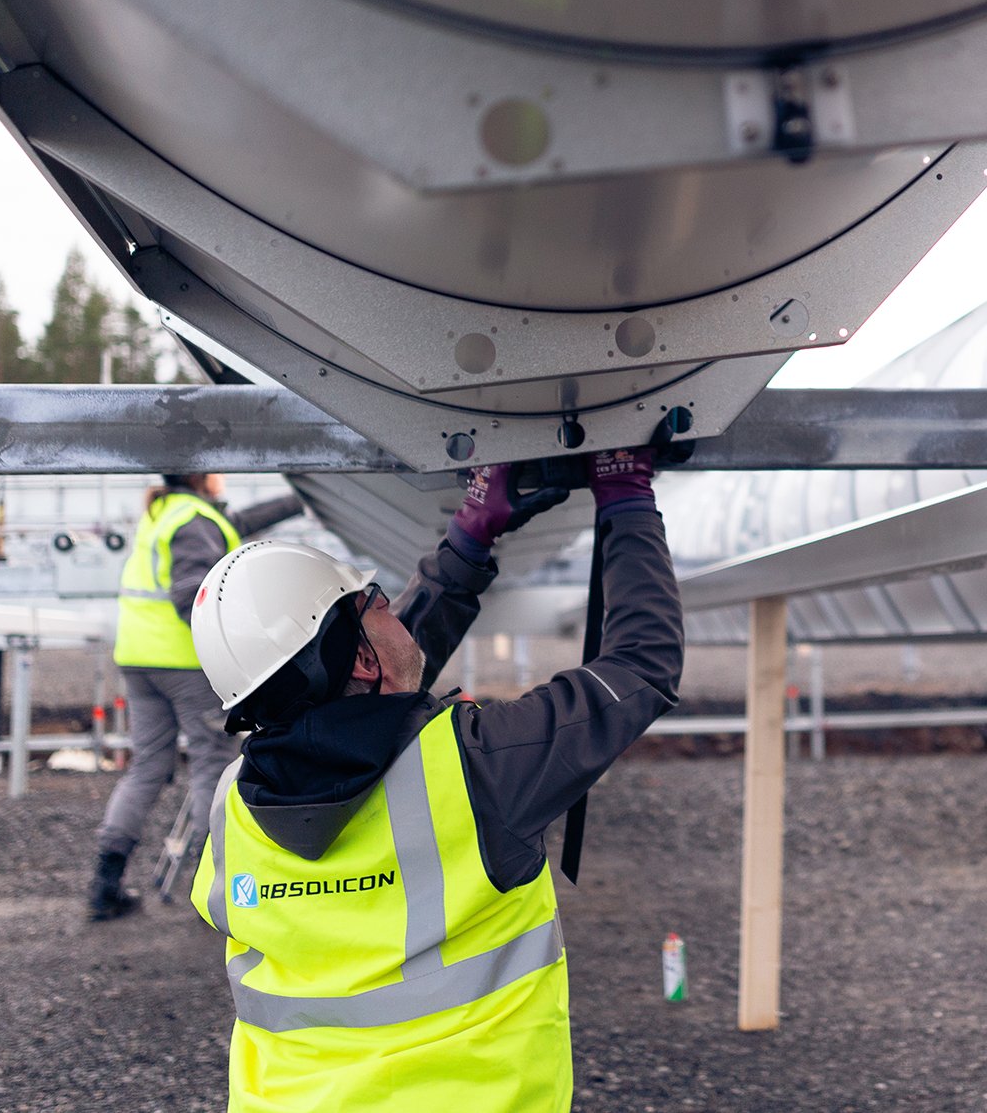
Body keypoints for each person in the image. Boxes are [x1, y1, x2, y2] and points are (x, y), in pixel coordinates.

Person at [187, 450, 684, 1110]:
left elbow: (364, 698)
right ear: (362, 653)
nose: (394, 608)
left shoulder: (231, 811)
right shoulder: (476, 765)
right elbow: (642, 664)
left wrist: (469, 538)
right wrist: (624, 491)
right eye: (377, 602)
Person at [88, 472, 304, 921]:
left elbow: (234, 523)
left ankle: (104, 884)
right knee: (213, 765)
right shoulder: (194, 519)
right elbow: (192, 594)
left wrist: (297, 501)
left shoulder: (169, 510)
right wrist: (235, 645)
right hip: (185, 663)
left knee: (148, 766)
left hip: (138, 658)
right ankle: (217, 890)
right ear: (204, 475)